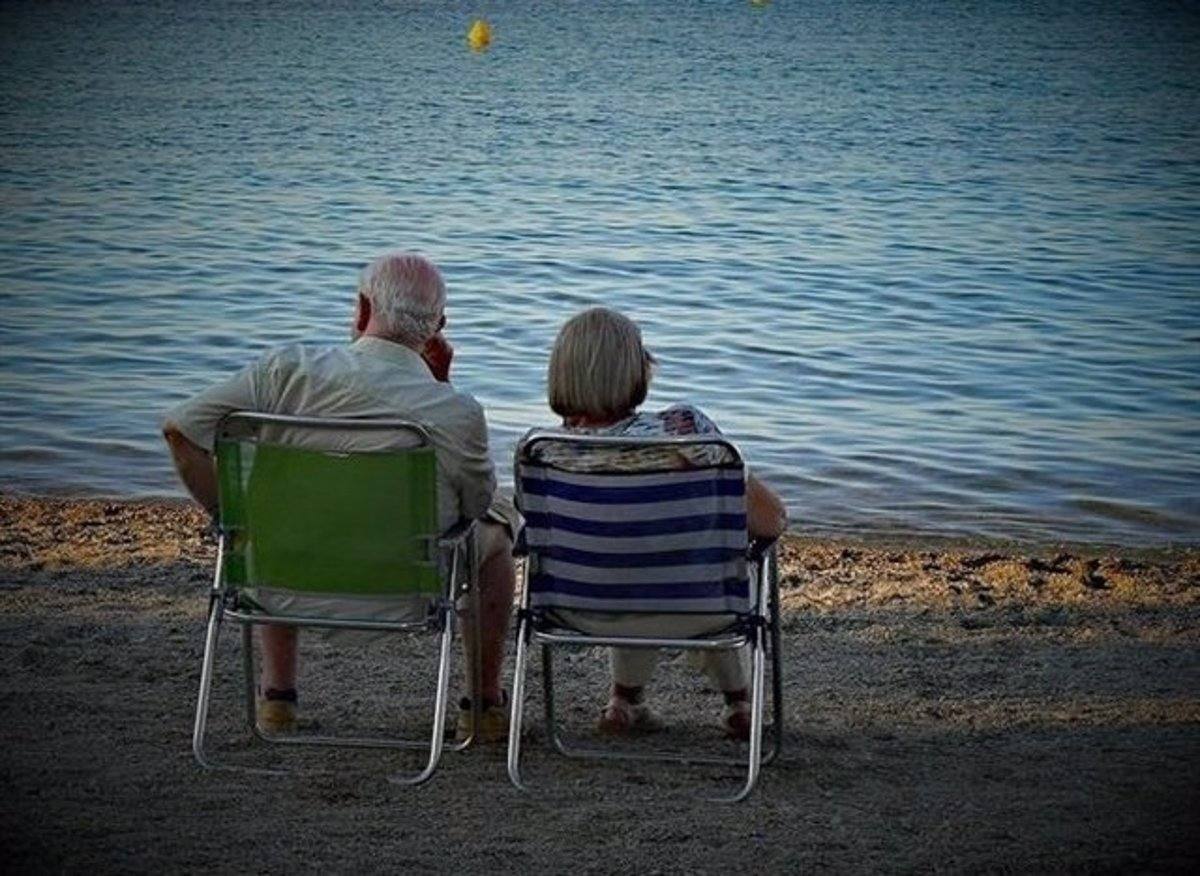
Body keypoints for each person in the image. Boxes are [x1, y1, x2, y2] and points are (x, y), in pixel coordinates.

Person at [162, 252, 516, 742]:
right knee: (499, 526)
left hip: (281, 582)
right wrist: (442, 388)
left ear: (362, 307)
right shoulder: (454, 409)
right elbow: (474, 505)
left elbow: (181, 431)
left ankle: (277, 700)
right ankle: (482, 706)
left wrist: (234, 520)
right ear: (439, 328)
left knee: (277, 513)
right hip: (404, 595)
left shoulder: (284, 372)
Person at [535, 306, 788, 740]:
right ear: (636, 370)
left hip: (579, 609)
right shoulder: (688, 431)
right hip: (699, 609)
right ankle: (740, 703)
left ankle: (623, 702)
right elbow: (771, 521)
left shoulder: (544, 453)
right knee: (706, 557)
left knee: (624, 555)